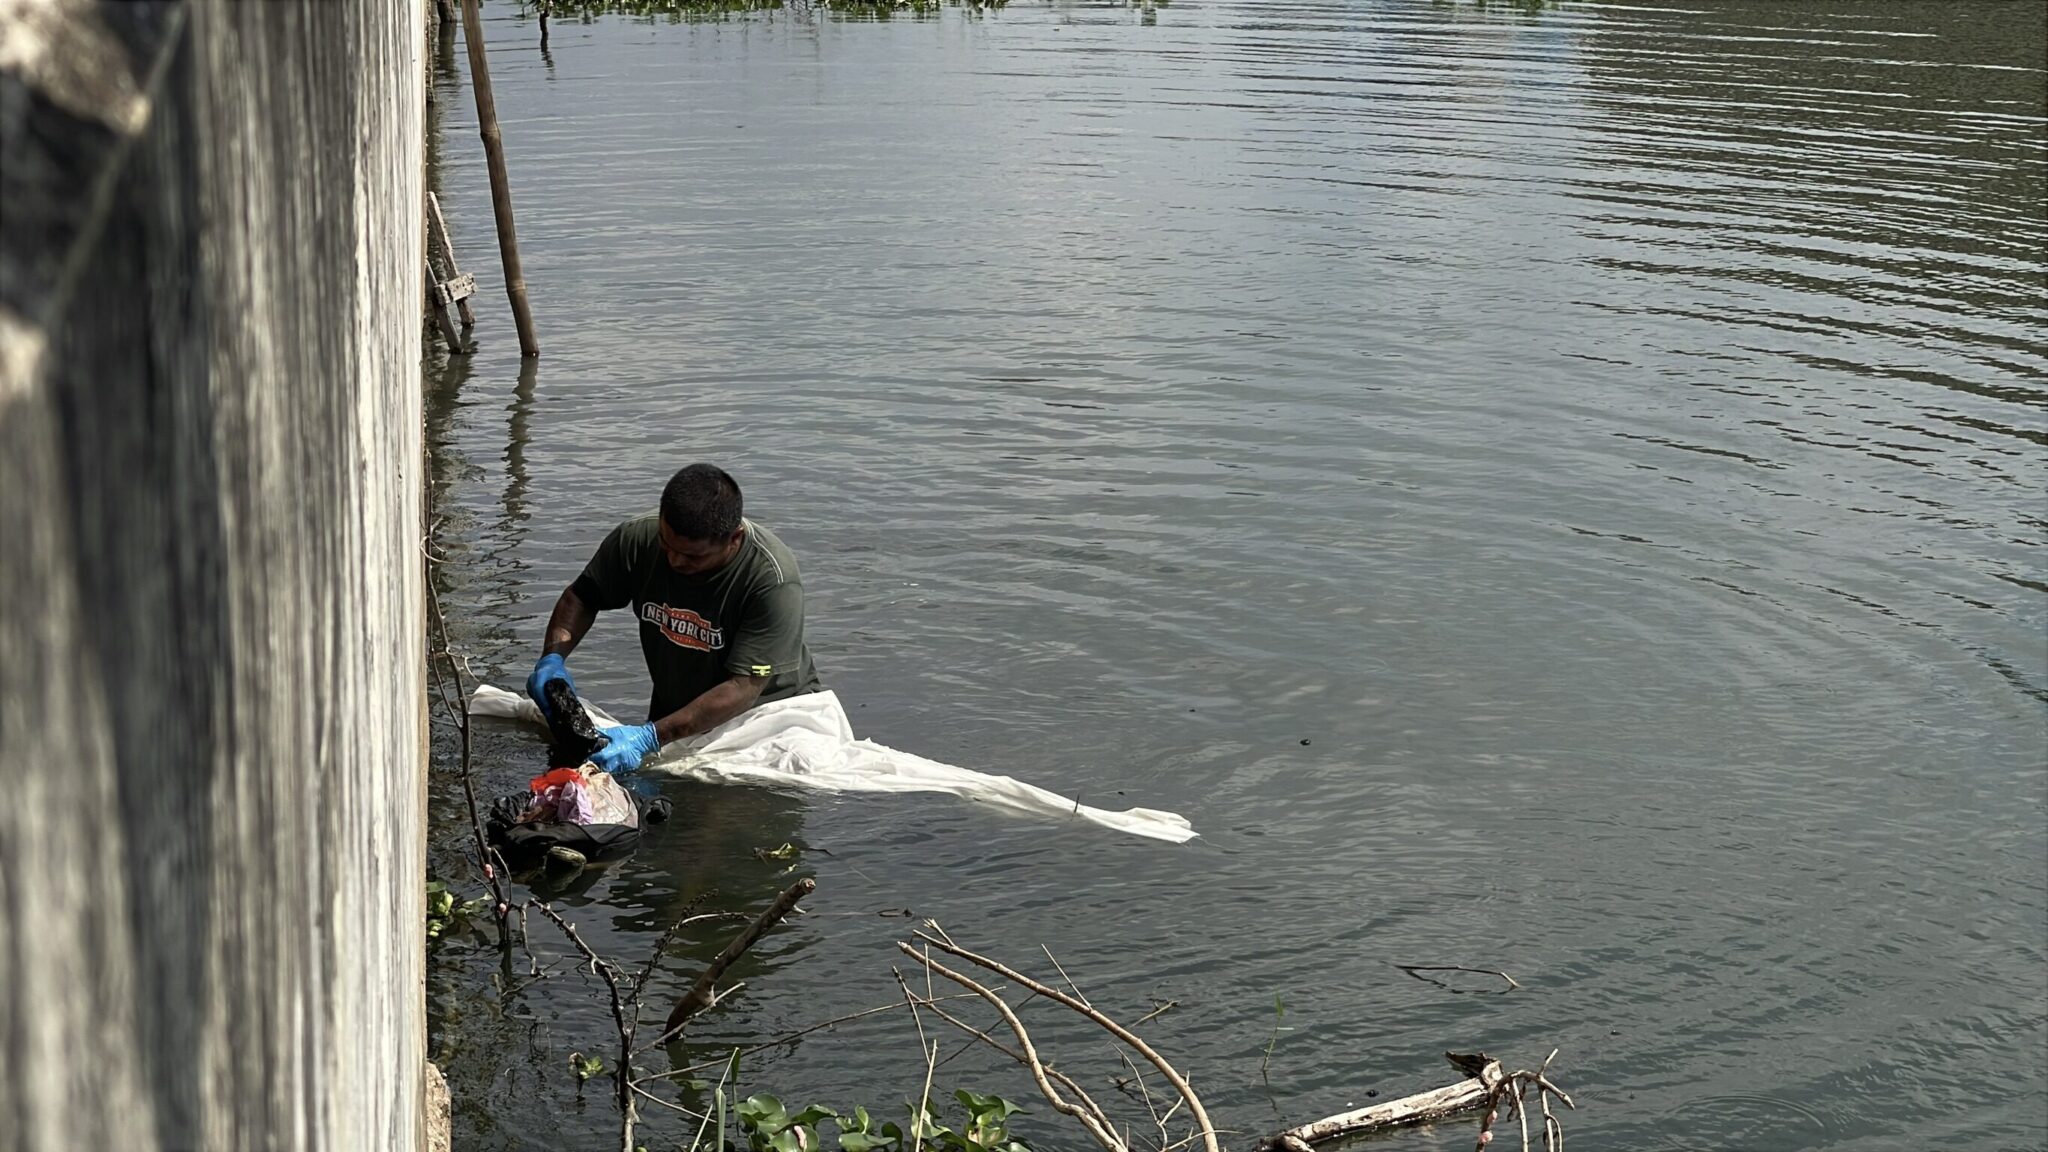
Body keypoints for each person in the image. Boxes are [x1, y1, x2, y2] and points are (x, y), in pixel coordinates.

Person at [525, 463, 821, 774]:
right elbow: (582, 597)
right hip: (680, 713)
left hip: (765, 721)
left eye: (693, 556)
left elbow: (743, 687)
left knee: (729, 816)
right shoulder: (637, 539)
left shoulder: (771, 580)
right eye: (667, 545)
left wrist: (650, 736)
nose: (675, 560)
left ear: (734, 538)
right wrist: (552, 659)